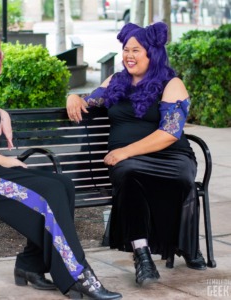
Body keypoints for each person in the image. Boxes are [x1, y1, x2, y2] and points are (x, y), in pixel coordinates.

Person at [0, 33, 122, 300]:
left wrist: (2, 113)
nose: (1, 59)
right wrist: (9, 161)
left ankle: (30, 264)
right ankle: (77, 276)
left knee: (63, 185)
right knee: (48, 193)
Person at [67, 22, 207, 286]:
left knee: (176, 179)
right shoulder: (116, 82)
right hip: (126, 162)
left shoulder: (171, 83)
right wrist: (73, 99)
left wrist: (125, 151)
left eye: (136, 50)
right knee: (129, 176)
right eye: (125, 50)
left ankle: (183, 244)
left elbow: (170, 133)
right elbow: (89, 101)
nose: (128, 56)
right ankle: (142, 255)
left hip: (170, 158)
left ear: (152, 53)